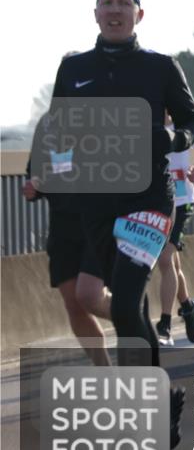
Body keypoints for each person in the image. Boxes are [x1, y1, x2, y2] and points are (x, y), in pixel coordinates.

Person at [46, 0, 194, 447]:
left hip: (147, 201)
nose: (115, 10)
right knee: (100, 300)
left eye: (123, 2)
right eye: (107, 2)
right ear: (95, 13)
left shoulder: (160, 67)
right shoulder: (73, 68)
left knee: (131, 294)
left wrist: (172, 139)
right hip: (94, 205)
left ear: (139, 13)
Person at [22, 157, 111, 366]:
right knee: (74, 305)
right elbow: (36, 174)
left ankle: (131, 317)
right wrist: (33, 186)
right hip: (62, 233)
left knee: (90, 296)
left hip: (97, 227)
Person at [155, 114, 194, 346]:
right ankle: (187, 307)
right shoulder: (150, 125)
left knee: (165, 259)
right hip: (160, 201)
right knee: (172, 264)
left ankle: (165, 323)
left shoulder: (182, 124)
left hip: (183, 199)